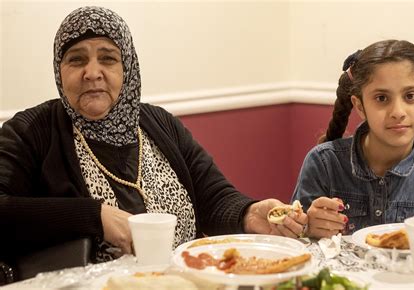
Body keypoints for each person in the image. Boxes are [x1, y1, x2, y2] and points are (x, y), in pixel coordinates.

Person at [0, 6, 307, 267]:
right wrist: (95, 216)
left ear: (128, 68)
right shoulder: (31, 132)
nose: (92, 72)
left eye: (107, 58)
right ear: (59, 70)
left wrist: (249, 213)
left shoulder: (159, 123)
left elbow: (213, 197)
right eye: (77, 59)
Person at [292, 40, 414, 239]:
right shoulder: (323, 163)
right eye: (381, 98)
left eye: (410, 96)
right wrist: (306, 228)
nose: (397, 112)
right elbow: (297, 246)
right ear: (360, 106)